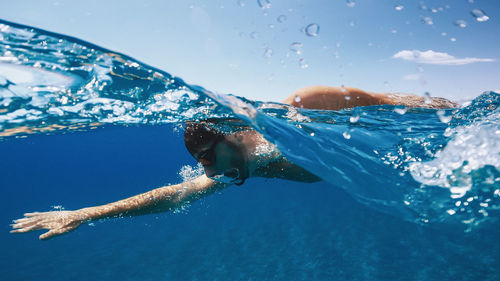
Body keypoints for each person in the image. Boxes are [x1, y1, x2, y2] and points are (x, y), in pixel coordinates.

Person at [10, 86, 457, 240]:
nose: (205, 169)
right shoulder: (246, 164)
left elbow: (392, 104)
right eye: (198, 160)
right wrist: (85, 214)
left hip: (431, 139)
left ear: (232, 136)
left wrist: (455, 118)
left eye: (206, 156)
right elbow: (174, 195)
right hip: (404, 173)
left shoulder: (301, 108)